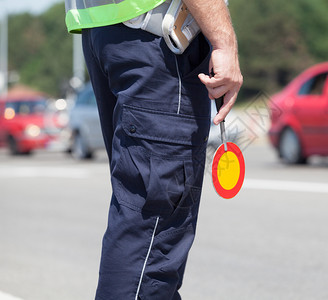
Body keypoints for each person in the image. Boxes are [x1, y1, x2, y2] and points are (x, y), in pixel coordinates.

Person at [64, 0, 243, 299]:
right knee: (149, 234)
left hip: (104, 33)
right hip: (156, 39)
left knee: (149, 235)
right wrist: (224, 42)